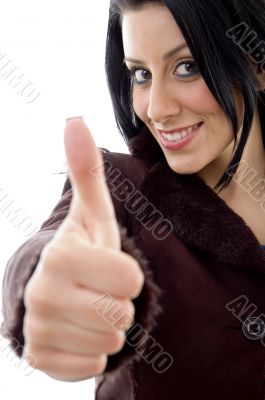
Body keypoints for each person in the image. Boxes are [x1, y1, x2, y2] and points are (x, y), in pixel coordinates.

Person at [2, 0, 265, 398]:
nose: (155, 109)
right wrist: (41, 292)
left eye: (186, 66)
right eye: (140, 74)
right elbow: (53, 246)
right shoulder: (120, 187)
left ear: (257, 63)